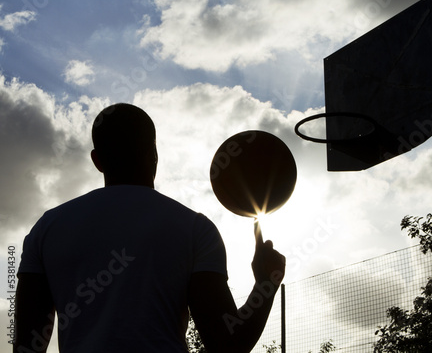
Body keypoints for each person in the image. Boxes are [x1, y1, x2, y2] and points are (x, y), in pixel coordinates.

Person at [15, 103, 286, 353]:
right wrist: (266, 284)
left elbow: (27, 347)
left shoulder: (48, 228)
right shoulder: (194, 228)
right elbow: (227, 345)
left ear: (97, 160)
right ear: (153, 153)